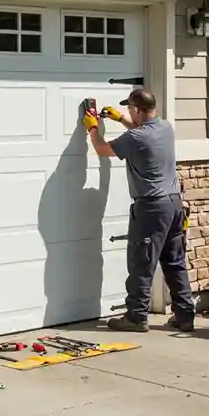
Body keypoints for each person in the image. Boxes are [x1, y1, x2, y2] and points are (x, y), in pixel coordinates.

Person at [82, 88, 195, 333]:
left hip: (152, 208)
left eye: (129, 109)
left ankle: (136, 317)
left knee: (142, 263)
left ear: (137, 109)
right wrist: (120, 119)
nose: (128, 112)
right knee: (174, 262)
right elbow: (143, 136)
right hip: (174, 205)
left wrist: (92, 128)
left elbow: (102, 150)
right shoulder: (165, 128)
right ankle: (185, 316)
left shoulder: (136, 138)